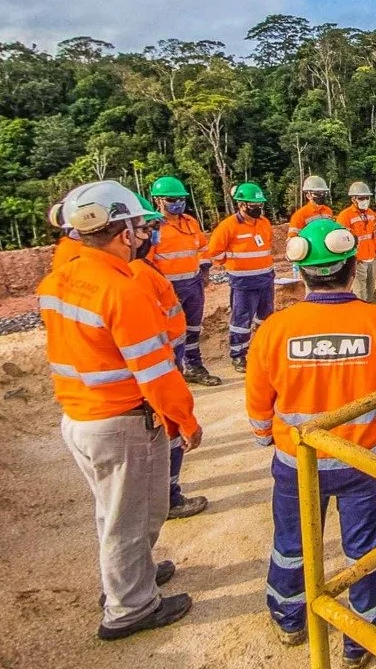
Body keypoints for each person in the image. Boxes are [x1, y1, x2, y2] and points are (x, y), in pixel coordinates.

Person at [246, 217, 376, 668]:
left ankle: (289, 618)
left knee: (293, 542)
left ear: (302, 272)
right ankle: (361, 635)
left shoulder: (274, 330)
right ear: (353, 264)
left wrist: (267, 437)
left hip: (297, 463)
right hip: (366, 460)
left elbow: (259, 399)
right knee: (364, 547)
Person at [35, 181, 202, 640]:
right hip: (121, 421)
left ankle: (128, 580)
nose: (145, 233)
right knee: (134, 516)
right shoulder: (120, 289)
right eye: (138, 225)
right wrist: (183, 420)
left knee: (111, 512)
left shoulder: (58, 279)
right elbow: (155, 371)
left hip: (81, 417)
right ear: (123, 232)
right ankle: (130, 607)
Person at [144, 177, 219, 389]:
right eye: (171, 199)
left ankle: (194, 367)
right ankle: (173, 373)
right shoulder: (154, 227)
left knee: (193, 328)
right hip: (169, 289)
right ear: (159, 201)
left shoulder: (190, 222)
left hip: (193, 284)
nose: (177, 203)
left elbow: (202, 249)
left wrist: (204, 270)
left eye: (180, 199)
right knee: (171, 333)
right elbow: (147, 261)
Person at [207, 182, 278, 372]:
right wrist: (232, 264)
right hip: (243, 282)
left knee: (266, 318)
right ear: (241, 204)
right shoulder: (228, 226)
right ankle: (238, 356)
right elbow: (214, 252)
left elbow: (267, 245)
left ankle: (263, 350)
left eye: (259, 205)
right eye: (253, 206)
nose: (257, 209)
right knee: (241, 320)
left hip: (265, 279)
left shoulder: (264, 223)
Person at [342, 182, 376, 303]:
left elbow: (375, 234)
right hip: (357, 260)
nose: (365, 200)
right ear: (353, 199)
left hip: (372, 258)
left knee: (370, 290)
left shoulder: (371, 214)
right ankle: (359, 317)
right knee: (359, 292)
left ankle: (368, 313)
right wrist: (352, 257)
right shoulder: (345, 216)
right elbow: (342, 241)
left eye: (367, 197)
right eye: (361, 198)